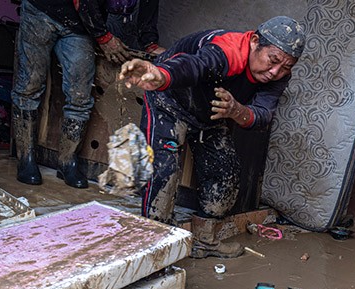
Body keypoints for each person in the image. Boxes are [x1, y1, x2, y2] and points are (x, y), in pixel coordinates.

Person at [118, 16, 306, 258]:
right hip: (170, 99)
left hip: (213, 113)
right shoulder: (229, 49)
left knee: (225, 173)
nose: (275, 72)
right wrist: (161, 75)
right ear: (254, 42)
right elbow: (194, 66)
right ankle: (154, 249)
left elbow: (263, 115)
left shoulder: (278, 76)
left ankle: (204, 241)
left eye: (286, 67)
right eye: (273, 60)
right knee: (163, 172)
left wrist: (236, 111)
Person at [12, 0, 135, 188]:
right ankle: (25, 159)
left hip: (79, 24)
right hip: (41, 9)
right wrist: (103, 37)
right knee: (29, 86)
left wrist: (149, 41)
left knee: (80, 97)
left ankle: (67, 162)